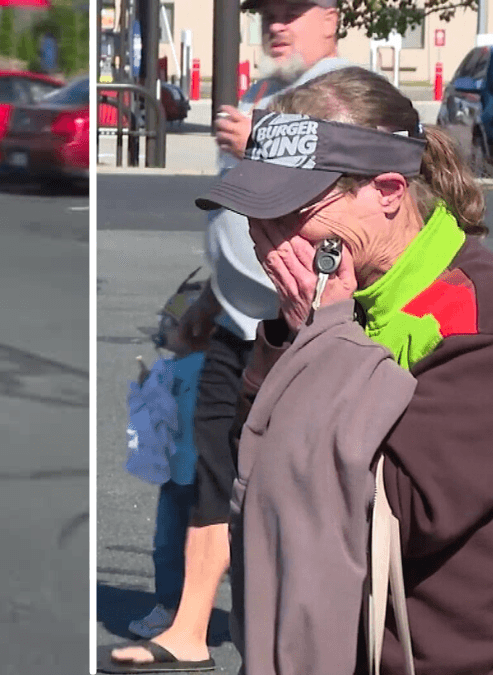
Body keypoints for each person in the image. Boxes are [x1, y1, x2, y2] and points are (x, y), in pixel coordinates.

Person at [195, 66, 493, 675]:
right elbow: (258, 462)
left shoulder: (480, 317)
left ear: (390, 191)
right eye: (255, 217)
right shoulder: (340, 303)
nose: (268, 240)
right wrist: (292, 337)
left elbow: (386, 510)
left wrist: (323, 340)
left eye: (292, 210)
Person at [109, 0, 349, 670]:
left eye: (293, 10)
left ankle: (285, 638)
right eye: (268, 9)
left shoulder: (345, 92)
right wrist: (210, 299)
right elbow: (246, 213)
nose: (277, 21)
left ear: (330, 16)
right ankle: (190, 627)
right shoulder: (267, 90)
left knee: (281, 487)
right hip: (237, 320)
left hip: (301, 327)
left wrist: (260, 146)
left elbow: (344, 199)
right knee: (212, 472)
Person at [121, 277, 211, 655]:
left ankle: (169, 608)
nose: (164, 331)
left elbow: (161, 417)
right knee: (212, 545)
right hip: (209, 473)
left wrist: (148, 387)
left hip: (182, 475)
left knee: (170, 544)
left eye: (171, 324)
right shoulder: (210, 366)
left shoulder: (179, 371)